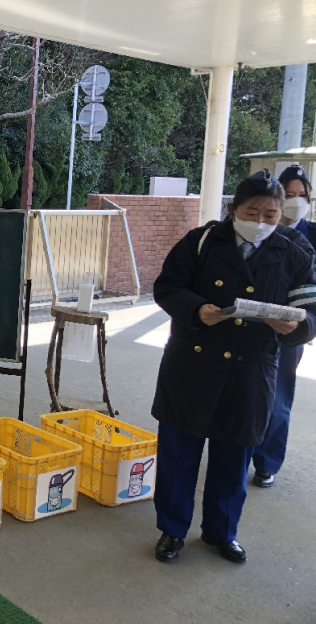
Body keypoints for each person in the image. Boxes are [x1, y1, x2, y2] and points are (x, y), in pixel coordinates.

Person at [150, 169, 316, 564]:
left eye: (270, 215)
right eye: (251, 212)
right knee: (178, 455)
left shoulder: (293, 253)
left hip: (251, 370)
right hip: (191, 365)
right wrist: (196, 309)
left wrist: (296, 327)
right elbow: (167, 287)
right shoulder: (201, 241)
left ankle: (222, 532)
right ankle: (172, 530)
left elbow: (310, 311)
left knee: (234, 456)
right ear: (232, 209)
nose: (260, 221)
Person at [251, 165, 316, 488]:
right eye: (289, 195)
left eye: (302, 195)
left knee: (278, 399)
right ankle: (240, 449)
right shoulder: (258, 231)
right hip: (253, 323)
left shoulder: (310, 236)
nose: (296, 202)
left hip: (290, 329)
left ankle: (267, 462)